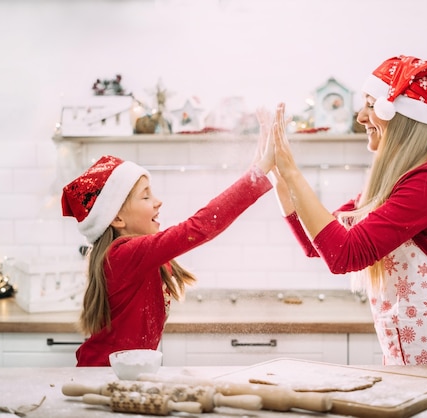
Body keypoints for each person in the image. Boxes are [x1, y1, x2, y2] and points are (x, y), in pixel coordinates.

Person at [269, 55, 427, 365]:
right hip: (413, 358)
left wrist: (293, 171)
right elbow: (320, 244)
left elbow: (344, 255)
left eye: (369, 104)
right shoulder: (392, 182)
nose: (361, 117)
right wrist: (280, 180)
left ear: (396, 113)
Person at [61, 118, 275, 366]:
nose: (157, 202)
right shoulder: (124, 255)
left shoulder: (136, 255)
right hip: (102, 375)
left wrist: (259, 164)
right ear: (117, 217)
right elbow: (201, 226)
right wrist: (259, 173)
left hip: (124, 374)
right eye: (146, 196)